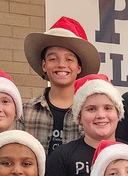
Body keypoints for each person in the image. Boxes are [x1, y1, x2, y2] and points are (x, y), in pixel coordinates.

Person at [38, 74, 124, 176]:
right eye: (91, 109)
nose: (100, 115)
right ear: (79, 116)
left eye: (108, 108)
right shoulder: (62, 156)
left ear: (118, 113)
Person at [19, 17, 101, 154]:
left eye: (69, 59)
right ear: (44, 65)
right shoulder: (25, 112)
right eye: (53, 59)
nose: (61, 64)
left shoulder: (90, 114)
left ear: (79, 67)